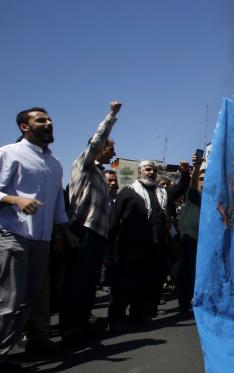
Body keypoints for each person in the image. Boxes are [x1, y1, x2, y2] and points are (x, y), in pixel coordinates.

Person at [0, 107, 78, 371]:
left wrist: (65, 232)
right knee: (8, 302)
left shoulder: (54, 163)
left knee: (27, 302)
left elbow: (57, 206)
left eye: (49, 119)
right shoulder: (7, 154)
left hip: (40, 240)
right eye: (41, 120)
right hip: (9, 234)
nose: (48, 123)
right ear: (24, 126)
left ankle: (0, 357)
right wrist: (14, 199)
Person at [61, 101, 122, 343]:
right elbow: (98, 139)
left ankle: (81, 323)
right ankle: (68, 328)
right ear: (98, 149)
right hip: (82, 231)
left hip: (97, 236)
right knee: (76, 281)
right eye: (110, 149)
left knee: (88, 283)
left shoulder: (101, 177)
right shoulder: (84, 166)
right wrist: (112, 115)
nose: (113, 153)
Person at [109, 160, 173, 326]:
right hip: (130, 247)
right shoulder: (128, 192)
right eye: (147, 169)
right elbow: (115, 220)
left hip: (153, 248)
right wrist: (111, 247)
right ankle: (116, 319)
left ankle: (138, 316)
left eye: (154, 170)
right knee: (124, 285)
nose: (151, 173)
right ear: (139, 172)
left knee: (145, 285)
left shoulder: (161, 194)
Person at [173, 154, 203, 318]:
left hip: (203, 244)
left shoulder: (214, 199)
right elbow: (192, 183)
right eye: (201, 177)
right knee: (184, 273)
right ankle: (183, 304)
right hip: (187, 242)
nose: (203, 180)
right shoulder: (193, 194)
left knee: (196, 274)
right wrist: (197, 166)